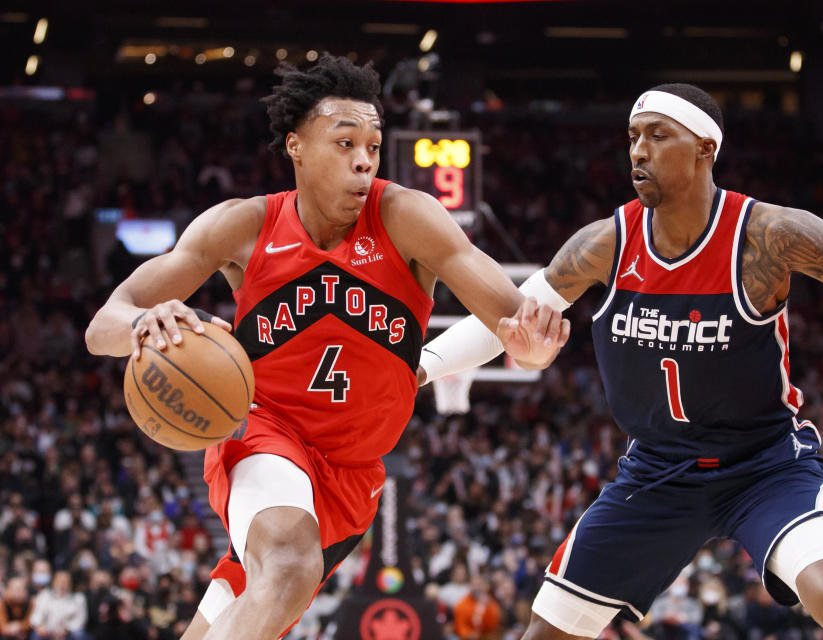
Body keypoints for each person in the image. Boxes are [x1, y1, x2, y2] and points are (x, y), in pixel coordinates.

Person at [418, 83, 823, 639]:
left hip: (765, 464)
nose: (639, 150)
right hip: (657, 471)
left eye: (658, 135)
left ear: (705, 149)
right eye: (633, 137)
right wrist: (416, 369)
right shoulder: (606, 244)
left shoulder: (767, 235)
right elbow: (509, 317)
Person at [85, 54, 569, 640]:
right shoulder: (244, 225)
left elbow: (512, 320)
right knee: (288, 567)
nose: (364, 159)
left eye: (373, 144)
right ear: (296, 146)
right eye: (345, 143)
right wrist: (143, 323)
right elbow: (102, 325)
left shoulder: (408, 217)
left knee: (229, 617)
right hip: (267, 435)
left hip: (352, 475)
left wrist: (534, 349)